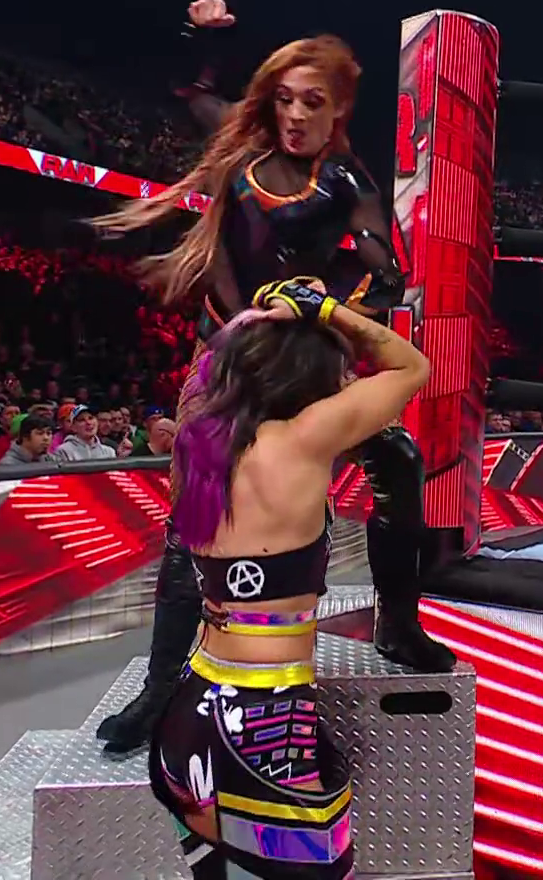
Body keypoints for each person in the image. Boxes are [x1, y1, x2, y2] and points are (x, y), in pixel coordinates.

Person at [91, 8, 456, 754]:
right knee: (193, 514)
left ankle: (398, 622)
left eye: (312, 102)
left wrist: (330, 296)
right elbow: (190, 92)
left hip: (305, 358)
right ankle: (161, 687)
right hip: (231, 356)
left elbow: (389, 274)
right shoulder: (240, 155)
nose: (294, 114)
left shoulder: (347, 181)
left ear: (338, 109)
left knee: (397, 460)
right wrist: (204, 37)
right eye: (284, 98)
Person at [148, 280, 426, 880]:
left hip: (194, 706)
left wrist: (260, 319)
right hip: (264, 723)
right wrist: (327, 311)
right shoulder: (305, 438)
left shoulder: (198, 439)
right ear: (311, 379)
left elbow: (213, 369)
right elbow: (412, 367)